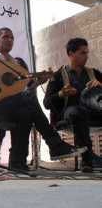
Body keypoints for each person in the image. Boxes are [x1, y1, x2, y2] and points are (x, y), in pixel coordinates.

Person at [0, 27, 86, 170]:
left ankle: (17, 161)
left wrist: (37, 83)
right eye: (6, 37)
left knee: (25, 111)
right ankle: (54, 143)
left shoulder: (14, 65)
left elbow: (24, 93)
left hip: (11, 107)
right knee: (27, 101)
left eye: (12, 37)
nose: (10, 40)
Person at [44, 38, 102, 173]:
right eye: (82, 53)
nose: (86, 56)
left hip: (95, 110)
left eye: (87, 53)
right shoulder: (58, 76)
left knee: (82, 111)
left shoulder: (94, 73)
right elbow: (47, 103)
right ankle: (87, 160)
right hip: (70, 112)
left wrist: (100, 85)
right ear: (71, 54)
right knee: (78, 112)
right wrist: (60, 94)